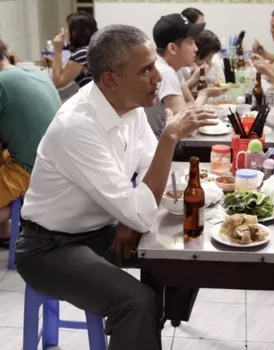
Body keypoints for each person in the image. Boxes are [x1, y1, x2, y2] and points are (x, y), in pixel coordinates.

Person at [15, 24, 219, 350]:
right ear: (111, 80)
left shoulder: (130, 107)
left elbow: (150, 169)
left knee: (187, 251)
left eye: (155, 65)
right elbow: (146, 194)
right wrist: (170, 136)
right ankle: (142, 322)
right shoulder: (78, 127)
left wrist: (126, 215)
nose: (157, 77)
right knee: (134, 302)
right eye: (146, 70)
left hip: (100, 229)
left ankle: (153, 323)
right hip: (49, 248)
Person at [0, 39, 60, 249]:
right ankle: (6, 230)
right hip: (53, 164)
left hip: (31, 170)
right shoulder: (33, 72)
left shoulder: (1, 83)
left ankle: (10, 225)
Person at [145, 13, 227, 138]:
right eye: (191, 41)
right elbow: (187, 129)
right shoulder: (165, 73)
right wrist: (204, 94)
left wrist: (190, 107)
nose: (196, 48)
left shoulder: (173, 68)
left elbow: (190, 102)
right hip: (157, 150)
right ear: (172, 48)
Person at [49, 12, 98, 88]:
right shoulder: (90, 49)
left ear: (76, 32)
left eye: (67, 28)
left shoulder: (82, 53)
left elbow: (58, 82)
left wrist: (57, 51)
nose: (65, 32)